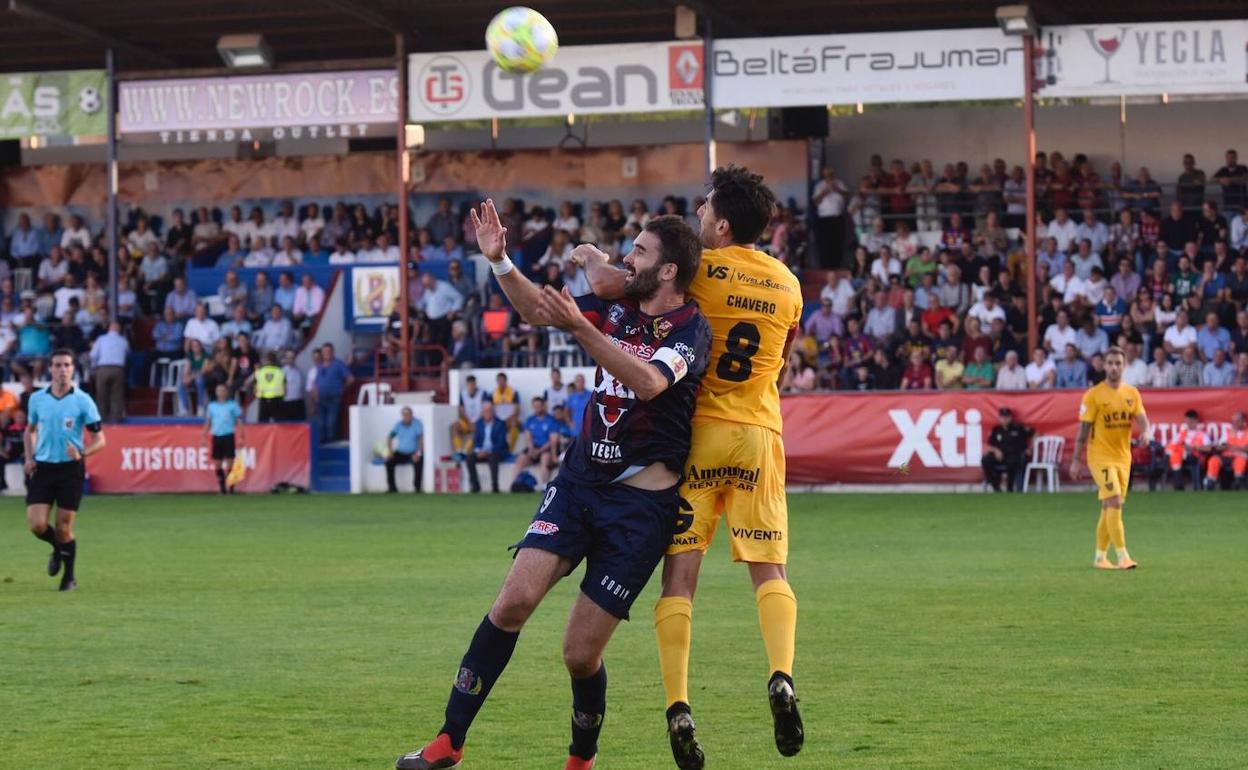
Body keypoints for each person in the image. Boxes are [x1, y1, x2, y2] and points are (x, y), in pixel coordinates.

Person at [396, 201, 709, 770]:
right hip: (580, 482)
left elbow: (646, 382)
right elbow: (539, 311)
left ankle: (580, 759)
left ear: (668, 271)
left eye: (639, 251)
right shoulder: (616, 304)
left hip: (641, 508)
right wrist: (501, 264)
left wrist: (578, 329)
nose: (627, 258)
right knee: (512, 601)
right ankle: (448, 742)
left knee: (578, 654)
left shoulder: (690, 328)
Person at [579, 165, 804, 766]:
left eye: (705, 210)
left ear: (722, 224)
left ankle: (679, 705)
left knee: (680, 580)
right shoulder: (788, 283)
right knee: (770, 570)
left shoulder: (701, 271)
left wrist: (588, 254)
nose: (697, 217)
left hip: (699, 438)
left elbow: (610, 286)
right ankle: (781, 675)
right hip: (759, 434)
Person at [24, 349, 106, 592]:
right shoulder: (37, 399)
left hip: (71, 470)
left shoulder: (83, 400)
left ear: (73, 369)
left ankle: (69, 578)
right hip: (43, 467)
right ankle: (59, 550)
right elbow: (30, 431)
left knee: (63, 527)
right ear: (50, 368)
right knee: (36, 524)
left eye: (67, 365)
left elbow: (100, 439)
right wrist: (29, 457)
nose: (62, 370)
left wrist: (82, 453)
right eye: (57, 365)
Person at [1070, 346, 1149, 570]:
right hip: (1100, 456)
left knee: (1110, 505)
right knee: (1114, 499)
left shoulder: (1132, 393)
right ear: (1104, 366)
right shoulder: (1094, 395)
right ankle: (1123, 556)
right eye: (1110, 363)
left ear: (1124, 367)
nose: (1114, 367)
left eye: (1118, 363)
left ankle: (1100, 557)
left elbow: (1143, 420)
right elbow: (1083, 431)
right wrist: (1076, 460)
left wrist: (1146, 432)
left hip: (1123, 457)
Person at [203, 383, 243, 494]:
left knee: (230, 463)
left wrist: (241, 436)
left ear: (226, 392)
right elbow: (208, 422)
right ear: (216, 392)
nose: (220, 392)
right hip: (216, 436)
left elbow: (239, 421)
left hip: (228, 435)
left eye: (222, 390)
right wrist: (204, 436)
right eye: (218, 390)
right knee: (217, 464)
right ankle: (222, 488)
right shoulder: (212, 406)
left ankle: (231, 487)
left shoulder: (233, 405)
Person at [512, 396, 560, 490]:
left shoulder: (551, 420)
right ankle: (515, 484)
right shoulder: (530, 420)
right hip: (533, 449)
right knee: (521, 458)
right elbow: (528, 436)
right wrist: (531, 449)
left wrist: (539, 451)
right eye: (535, 406)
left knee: (545, 458)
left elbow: (552, 440)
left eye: (538, 406)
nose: (537, 408)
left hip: (545, 449)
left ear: (543, 406)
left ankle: (544, 485)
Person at [982, 407, 1033, 492]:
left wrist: (1030, 448)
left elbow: (1035, 434)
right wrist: (996, 451)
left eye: (1007, 417)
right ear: (999, 418)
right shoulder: (996, 429)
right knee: (986, 460)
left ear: (1011, 418)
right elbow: (989, 445)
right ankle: (996, 486)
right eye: (1002, 417)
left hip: (1015, 455)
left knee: (1013, 461)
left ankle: (1010, 487)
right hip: (1000, 455)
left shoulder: (1018, 428)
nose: (1005, 419)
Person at [313, 343, 352, 443]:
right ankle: (322, 447)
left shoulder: (338, 364)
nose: (327, 353)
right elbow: (316, 382)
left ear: (333, 352)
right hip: (321, 399)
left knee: (331, 423)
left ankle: (332, 445)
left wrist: (342, 388)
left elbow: (350, 379)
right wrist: (315, 396)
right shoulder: (320, 366)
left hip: (334, 398)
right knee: (321, 423)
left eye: (329, 351)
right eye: (325, 351)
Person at [465, 400, 507, 494]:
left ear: (493, 411)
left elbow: (501, 442)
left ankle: (495, 485)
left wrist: (488, 451)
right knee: (469, 457)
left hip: (496, 451)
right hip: (482, 451)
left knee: (493, 457)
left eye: (489, 411)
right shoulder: (479, 424)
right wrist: (478, 451)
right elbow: (476, 441)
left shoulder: (500, 424)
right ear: (482, 412)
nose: (487, 413)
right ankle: (475, 485)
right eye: (485, 411)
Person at [385, 406, 424, 494]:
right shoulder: (398, 425)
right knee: (389, 462)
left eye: (407, 415)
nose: (406, 417)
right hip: (401, 452)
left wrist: (418, 453)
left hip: (413, 452)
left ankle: (417, 488)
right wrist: (390, 451)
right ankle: (392, 488)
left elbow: (421, 439)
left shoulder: (417, 424)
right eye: (404, 415)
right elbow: (389, 437)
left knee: (419, 461)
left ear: (411, 415)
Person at [1206, 411, 1248, 490]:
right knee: (1213, 460)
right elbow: (1220, 446)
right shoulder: (1228, 432)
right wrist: (1225, 447)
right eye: (1233, 421)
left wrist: (1235, 448)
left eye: (1237, 421)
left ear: (1244, 422)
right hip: (1226, 456)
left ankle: (1238, 481)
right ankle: (1210, 482)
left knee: (1240, 460)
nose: (1234, 423)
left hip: (1241, 456)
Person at [252, 351, 285, 422]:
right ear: (275, 360)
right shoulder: (281, 372)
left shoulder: (259, 372)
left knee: (263, 425)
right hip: (277, 401)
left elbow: (254, 390)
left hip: (263, 401)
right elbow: (285, 390)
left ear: (265, 360)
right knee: (279, 424)